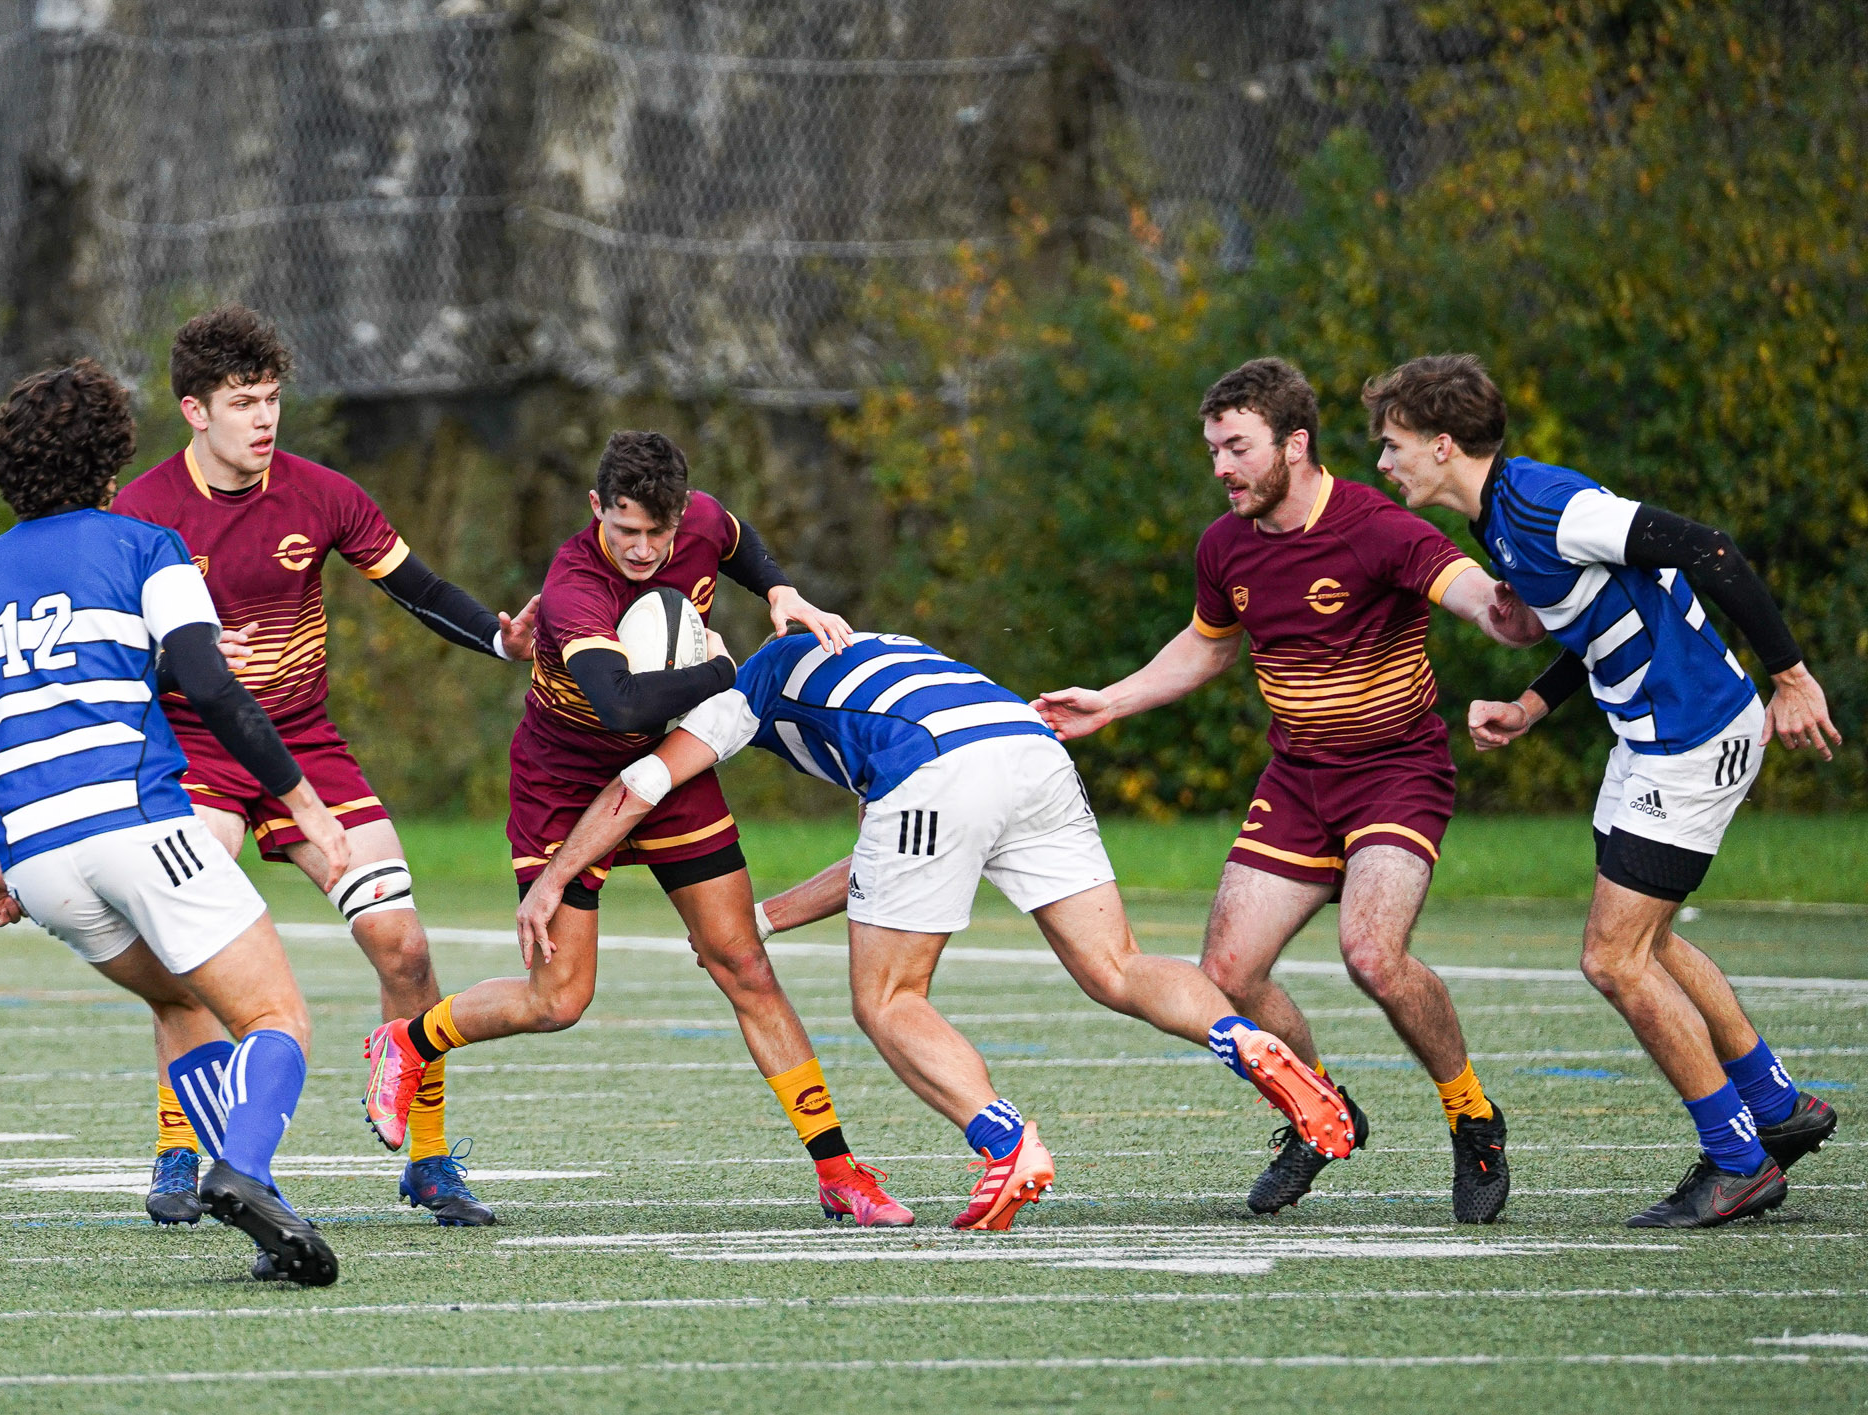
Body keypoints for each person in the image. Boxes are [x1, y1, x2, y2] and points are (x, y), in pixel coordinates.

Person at [517, 629, 1355, 1231]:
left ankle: (1005, 1140)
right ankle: (1242, 1038)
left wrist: (557, 876)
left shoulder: (746, 688)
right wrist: (763, 921)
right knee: (1116, 966)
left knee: (887, 999)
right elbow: (884, 861)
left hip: (936, 770)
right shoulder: (864, 649)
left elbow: (643, 785)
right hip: (1026, 748)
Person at [1035, 357, 1544, 1223]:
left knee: (1373, 955)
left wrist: (1509, 609)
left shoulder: (1377, 527)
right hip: (1299, 781)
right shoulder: (1224, 546)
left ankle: (1472, 1116)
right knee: (1228, 975)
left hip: (1395, 772)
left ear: (1295, 444)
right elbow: (1208, 647)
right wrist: (1109, 702)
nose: (1221, 468)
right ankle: (1318, 1111)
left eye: (1237, 448)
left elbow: (1472, 597)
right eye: (1213, 450)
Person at [362, 430, 912, 1226]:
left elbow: (735, 538)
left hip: (669, 773)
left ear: (679, 513)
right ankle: (411, 1042)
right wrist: (726, 671)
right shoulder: (576, 584)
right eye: (628, 531)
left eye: (660, 531)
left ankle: (838, 1170)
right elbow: (620, 702)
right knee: (560, 1001)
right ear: (597, 511)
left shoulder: (697, 525)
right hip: (564, 784)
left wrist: (779, 591)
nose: (647, 549)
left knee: (744, 965)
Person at [0, 359, 344, 1284]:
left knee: (180, 1000)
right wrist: (299, 797)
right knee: (277, 1014)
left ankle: (264, 1215)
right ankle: (244, 1171)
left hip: (40, 866)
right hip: (136, 827)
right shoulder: (145, 546)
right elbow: (209, 684)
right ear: (113, 455)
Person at [1364, 352, 1843, 1228]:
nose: (1384, 464)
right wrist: (1532, 704)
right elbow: (1607, 615)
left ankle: (1740, 1163)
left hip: (1691, 737)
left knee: (1612, 958)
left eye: (1393, 446)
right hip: (1650, 739)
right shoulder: (1497, 515)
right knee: (1647, 943)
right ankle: (1775, 1108)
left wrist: (1794, 676)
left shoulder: (1546, 504)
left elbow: (1707, 549)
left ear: (1440, 444)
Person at [112, 306, 537, 1229]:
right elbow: (106, 653)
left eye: (271, 400)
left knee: (406, 947)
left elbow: (417, 589)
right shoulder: (140, 513)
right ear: (194, 411)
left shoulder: (320, 494)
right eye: (241, 403)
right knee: (189, 949)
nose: (264, 420)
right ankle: (177, 1148)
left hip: (306, 749)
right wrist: (169, 652)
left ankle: (426, 1159)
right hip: (194, 758)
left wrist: (504, 640)